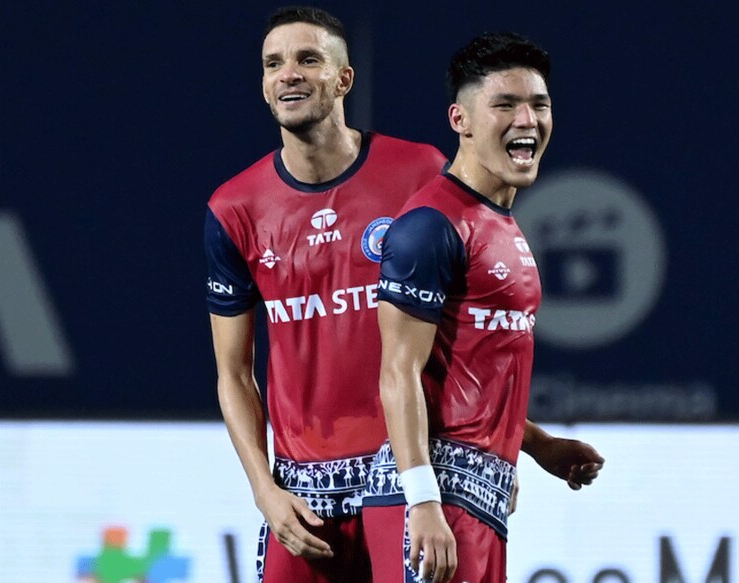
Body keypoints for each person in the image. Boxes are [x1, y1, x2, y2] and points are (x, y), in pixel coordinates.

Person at [204, 6, 447, 582]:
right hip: (301, 489)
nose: (288, 73)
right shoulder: (233, 208)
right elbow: (233, 373)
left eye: (308, 59)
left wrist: (496, 449)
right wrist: (264, 489)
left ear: (344, 79)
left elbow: (466, 326)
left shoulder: (420, 172)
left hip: (405, 469)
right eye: (273, 64)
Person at [361, 32, 605, 583]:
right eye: (505, 105)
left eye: (539, 105)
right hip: (433, 500)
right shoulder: (430, 226)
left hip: (479, 499)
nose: (527, 120)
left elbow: (468, 373)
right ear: (461, 120)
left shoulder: (499, 223)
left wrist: (537, 444)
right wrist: (422, 501)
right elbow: (398, 373)